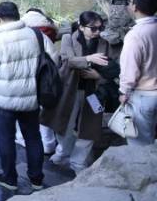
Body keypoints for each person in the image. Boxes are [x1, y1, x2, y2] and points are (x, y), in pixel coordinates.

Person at [0, 1, 45, 192]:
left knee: (6, 138)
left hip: (4, 101)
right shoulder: (36, 35)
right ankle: (36, 179)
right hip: (31, 98)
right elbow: (51, 61)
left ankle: (9, 178)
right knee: (33, 137)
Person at [43, 11, 119, 171]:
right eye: (93, 28)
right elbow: (69, 60)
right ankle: (63, 152)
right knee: (64, 124)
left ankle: (78, 161)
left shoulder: (104, 43)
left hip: (95, 91)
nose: (97, 32)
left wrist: (98, 76)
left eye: (100, 28)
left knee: (90, 127)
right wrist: (88, 59)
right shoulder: (68, 38)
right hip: (69, 89)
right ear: (81, 27)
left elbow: (113, 68)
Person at [17, 8, 60, 155]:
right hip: (42, 78)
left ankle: (21, 137)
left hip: (22, 79)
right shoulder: (47, 27)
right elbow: (54, 57)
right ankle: (48, 143)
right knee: (44, 109)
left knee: (22, 110)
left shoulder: (19, 29)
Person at [118, 0, 157, 145]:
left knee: (139, 144)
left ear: (135, 7)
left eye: (130, 1)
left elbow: (130, 70)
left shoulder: (136, 35)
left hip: (144, 96)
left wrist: (124, 92)